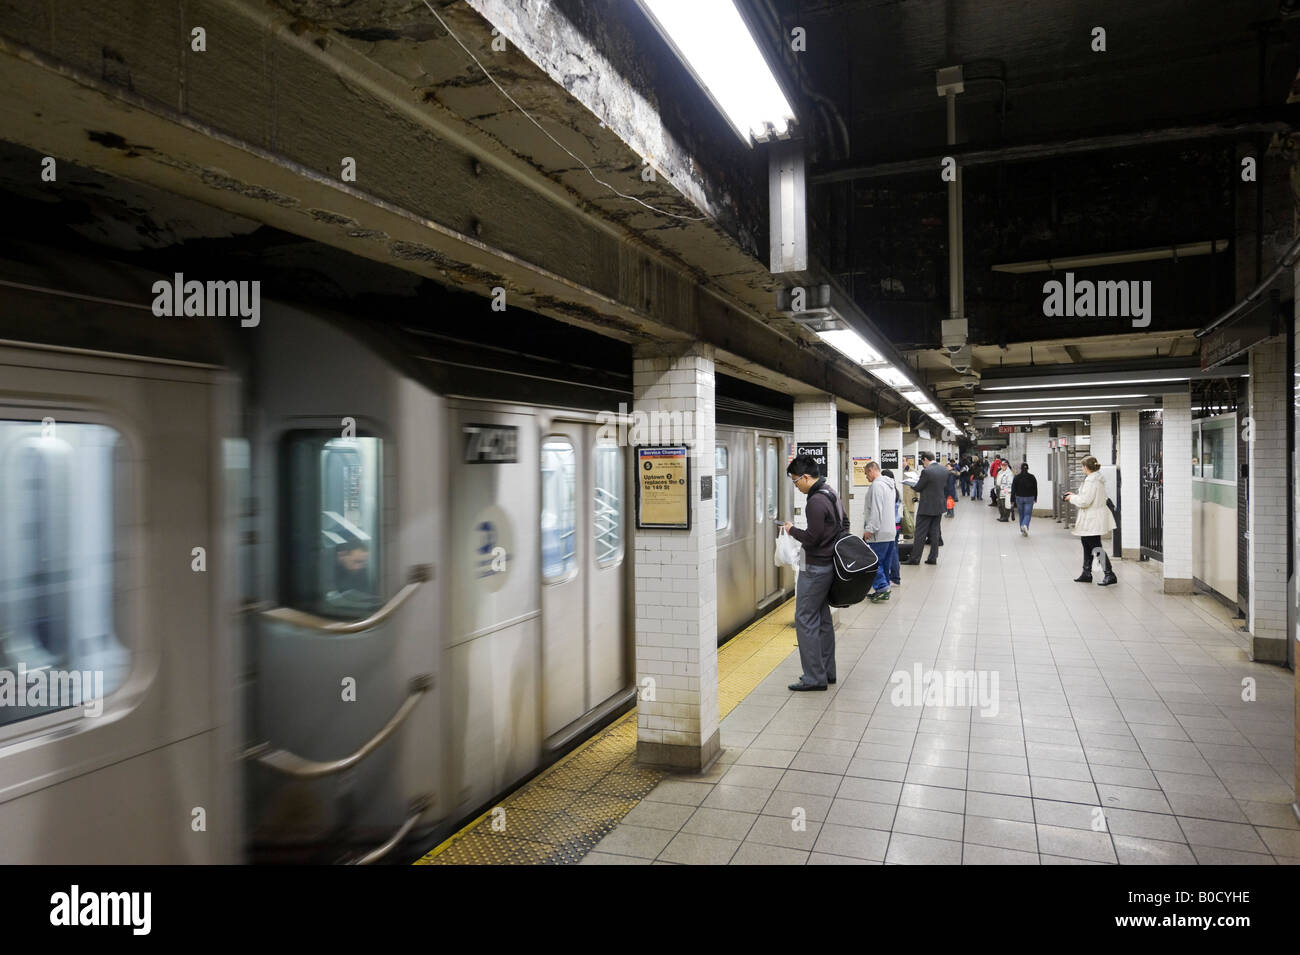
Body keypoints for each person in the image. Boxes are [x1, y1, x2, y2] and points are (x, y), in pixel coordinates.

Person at [782, 455, 844, 690]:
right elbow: (844, 524)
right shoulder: (831, 492)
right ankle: (827, 672)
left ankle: (813, 678)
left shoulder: (815, 501)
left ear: (807, 477)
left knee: (805, 619)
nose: (796, 486)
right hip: (827, 565)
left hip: (815, 567)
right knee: (822, 620)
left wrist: (791, 529)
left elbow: (812, 537)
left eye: (796, 481)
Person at [1065, 455, 1117, 586]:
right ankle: (1086, 572)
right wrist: (1074, 495)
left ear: (1086, 467)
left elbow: (1085, 501)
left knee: (1095, 546)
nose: (1082, 468)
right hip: (1094, 516)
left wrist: (1071, 498)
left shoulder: (1091, 481)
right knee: (1087, 543)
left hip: (1091, 518)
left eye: (1083, 466)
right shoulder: (1097, 479)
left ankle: (1109, 574)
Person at [861, 460, 897, 602]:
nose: (866, 477)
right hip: (890, 531)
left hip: (879, 533)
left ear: (871, 470)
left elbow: (876, 510)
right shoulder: (890, 485)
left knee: (873, 562)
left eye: (866, 474)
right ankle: (884, 588)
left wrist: (870, 529)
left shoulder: (876, 486)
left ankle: (882, 588)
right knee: (885, 563)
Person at [906, 451, 947, 565]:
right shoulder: (943, 470)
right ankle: (933, 558)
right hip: (939, 506)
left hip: (926, 507)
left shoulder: (927, 471)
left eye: (922, 462)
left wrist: (911, 483)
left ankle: (915, 558)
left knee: (920, 533)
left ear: (925, 459)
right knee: (935, 532)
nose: (923, 464)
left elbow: (918, 487)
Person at [880, 468, 903, 586]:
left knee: (892, 551)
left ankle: (895, 577)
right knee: (894, 550)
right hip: (897, 524)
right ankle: (895, 575)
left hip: (891, 524)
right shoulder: (896, 490)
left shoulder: (887, 491)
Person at [1010, 463, 1038, 536]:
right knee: (1027, 514)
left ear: (1021, 469)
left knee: (1021, 514)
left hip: (1019, 498)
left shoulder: (1016, 477)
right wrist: (1035, 497)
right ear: (1028, 468)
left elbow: (1013, 489)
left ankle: (1023, 531)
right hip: (1029, 498)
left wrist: (1012, 500)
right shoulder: (1032, 477)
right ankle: (1025, 525)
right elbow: (1035, 488)